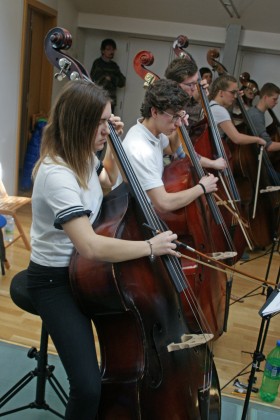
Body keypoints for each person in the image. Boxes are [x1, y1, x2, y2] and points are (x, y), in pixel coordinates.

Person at [22, 79, 178, 419]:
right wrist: (149, 245)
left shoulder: (82, 156)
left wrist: (112, 146)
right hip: (55, 281)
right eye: (101, 123)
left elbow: (106, 183)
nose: (107, 128)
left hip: (85, 273)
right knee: (88, 386)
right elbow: (90, 245)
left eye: (109, 120)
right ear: (79, 123)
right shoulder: (56, 173)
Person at [120, 78, 219, 213]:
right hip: (140, 216)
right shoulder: (139, 148)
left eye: (180, 115)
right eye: (174, 117)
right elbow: (163, 203)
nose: (178, 123)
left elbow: (172, 149)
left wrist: (179, 124)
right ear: (154, 112)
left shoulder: (154, 132)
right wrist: (201, 187)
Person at [164, 57, 227, 171]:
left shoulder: (186, 104)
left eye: (196, 83)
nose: (194, 88)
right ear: (175, 84)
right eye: (190, 85)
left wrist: (199, 100)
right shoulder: (166, 111)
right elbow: (181, 152)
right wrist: (212, 164)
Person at [208, 74, 266, 148]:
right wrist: (258, 139)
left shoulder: (211, 105)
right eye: (232, 92)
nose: (235, 96)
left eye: (236, 93)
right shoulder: (220, 110)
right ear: (221, 93)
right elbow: (237, 138)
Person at [90, 38, 126, 112]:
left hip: (110, 101)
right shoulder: (97, 63)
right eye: (108, 49)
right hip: (98, 100)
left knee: (109, 122)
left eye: (113, 49)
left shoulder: (114, 66)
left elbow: (122, 82)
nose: (111, 52)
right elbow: (93, 82)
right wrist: (106, 79)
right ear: (103, 50)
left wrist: (111, 78)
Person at [247, 82, 280, 152]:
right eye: (274, 99)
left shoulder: (257, 112)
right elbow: (269, 146)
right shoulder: (256, 116)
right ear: (265, 97)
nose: (276, 102)